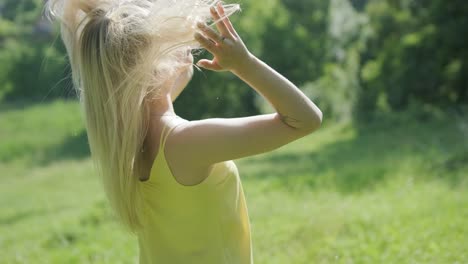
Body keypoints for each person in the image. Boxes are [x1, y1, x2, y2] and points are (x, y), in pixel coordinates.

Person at [46, 0, 322, 263]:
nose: (182, 48)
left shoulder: (129, 145)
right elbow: (304, 119)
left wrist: (169, 82)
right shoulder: (187, 143)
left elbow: (151, 107)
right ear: (155, 70)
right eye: (169, 45)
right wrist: (244, 63)